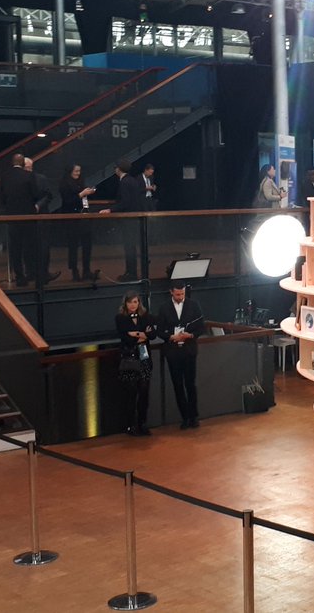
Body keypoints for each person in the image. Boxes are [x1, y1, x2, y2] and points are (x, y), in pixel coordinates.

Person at [157, 283, 205, 429]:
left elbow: (201, 326)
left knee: (190, 384)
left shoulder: (194, 305)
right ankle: (184, 417)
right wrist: (171, 337)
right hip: (173, 351)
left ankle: (194, 416)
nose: (180, 297)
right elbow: (159, 330)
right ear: (171, 292)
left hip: (189, 350)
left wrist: (190, 335)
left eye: (182, 294)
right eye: (177, 294)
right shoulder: (164, 307)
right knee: (178, 385)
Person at [101, 161, 153, 282]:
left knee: (129, 247)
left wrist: (110, 209)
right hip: (134, 218)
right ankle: (131, 271)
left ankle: (131, 273)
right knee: (131, 246)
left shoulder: (124, 182)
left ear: (118, 169)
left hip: (128, 219)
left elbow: (125, 202)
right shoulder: (133, 181)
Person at [115, 291, 155, 437]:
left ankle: (142, 423)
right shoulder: (120, 318)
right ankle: (130, 424)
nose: (133, 305)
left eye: (135, 302)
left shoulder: (146, 316)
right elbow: (124, 337)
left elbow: (152, 335)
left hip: (144, 357)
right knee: (131, 393)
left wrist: (135, 334)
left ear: (139, 303)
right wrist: (141, 334)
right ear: (125, 303)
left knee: (144, 392)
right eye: (130, 302)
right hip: (129, 359)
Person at [0, 153, 39, 286]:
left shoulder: (5, 176)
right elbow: (35, 194)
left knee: (15, 247)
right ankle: (30, 272)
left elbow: (2, 198)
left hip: (12, 216)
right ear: (23, 164)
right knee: (29, 246)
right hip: (27, 216)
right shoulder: (28, 176)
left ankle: (19, 275)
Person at [25, 157, 59, 285]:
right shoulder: (21, 180)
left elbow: (48, 195)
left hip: (42, 217)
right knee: (28, 247)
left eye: (29, 167)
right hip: (26, 219)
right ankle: (30, 272)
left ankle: (44, 273)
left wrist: (38, 205)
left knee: (44, 247)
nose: (28, 169)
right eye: (26, 167)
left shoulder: (41, 178)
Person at [59, 164, 96, 281]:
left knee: (87, 244)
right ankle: (74, 270)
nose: (78, 173)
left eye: (79, 171)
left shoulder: (81, 182)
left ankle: (87, 270)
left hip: (84, 216)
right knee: (73, 245)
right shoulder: (64, 184)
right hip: (72, 218)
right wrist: (81, 194)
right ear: (70, 171)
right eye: (76, 171)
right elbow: (67, 201)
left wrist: (88, 193)